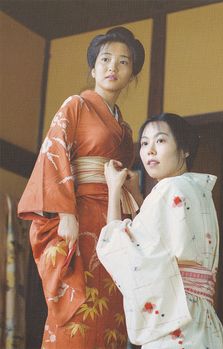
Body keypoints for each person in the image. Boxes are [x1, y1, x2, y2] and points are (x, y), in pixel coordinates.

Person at [18, 27, 145, 349]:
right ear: (93, 68)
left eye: (123, 62)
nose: (112, 67)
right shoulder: (76, 105)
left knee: (111, 306)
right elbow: (54, 153)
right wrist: (65, 213)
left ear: (132, 75)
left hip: (112, 222)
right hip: (79, 214)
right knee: (77, 308)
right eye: (105, 59)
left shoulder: (125, 128)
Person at [96, 113, 223, 349]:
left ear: (185, 148)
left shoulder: (167, 188)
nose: (150, 151)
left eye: (160, 140)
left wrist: (114, 190)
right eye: (145, 143)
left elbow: (122, 250)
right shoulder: (199, 190)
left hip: (177, 326)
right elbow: (159, 243)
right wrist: (138, 198)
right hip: (204, 325)